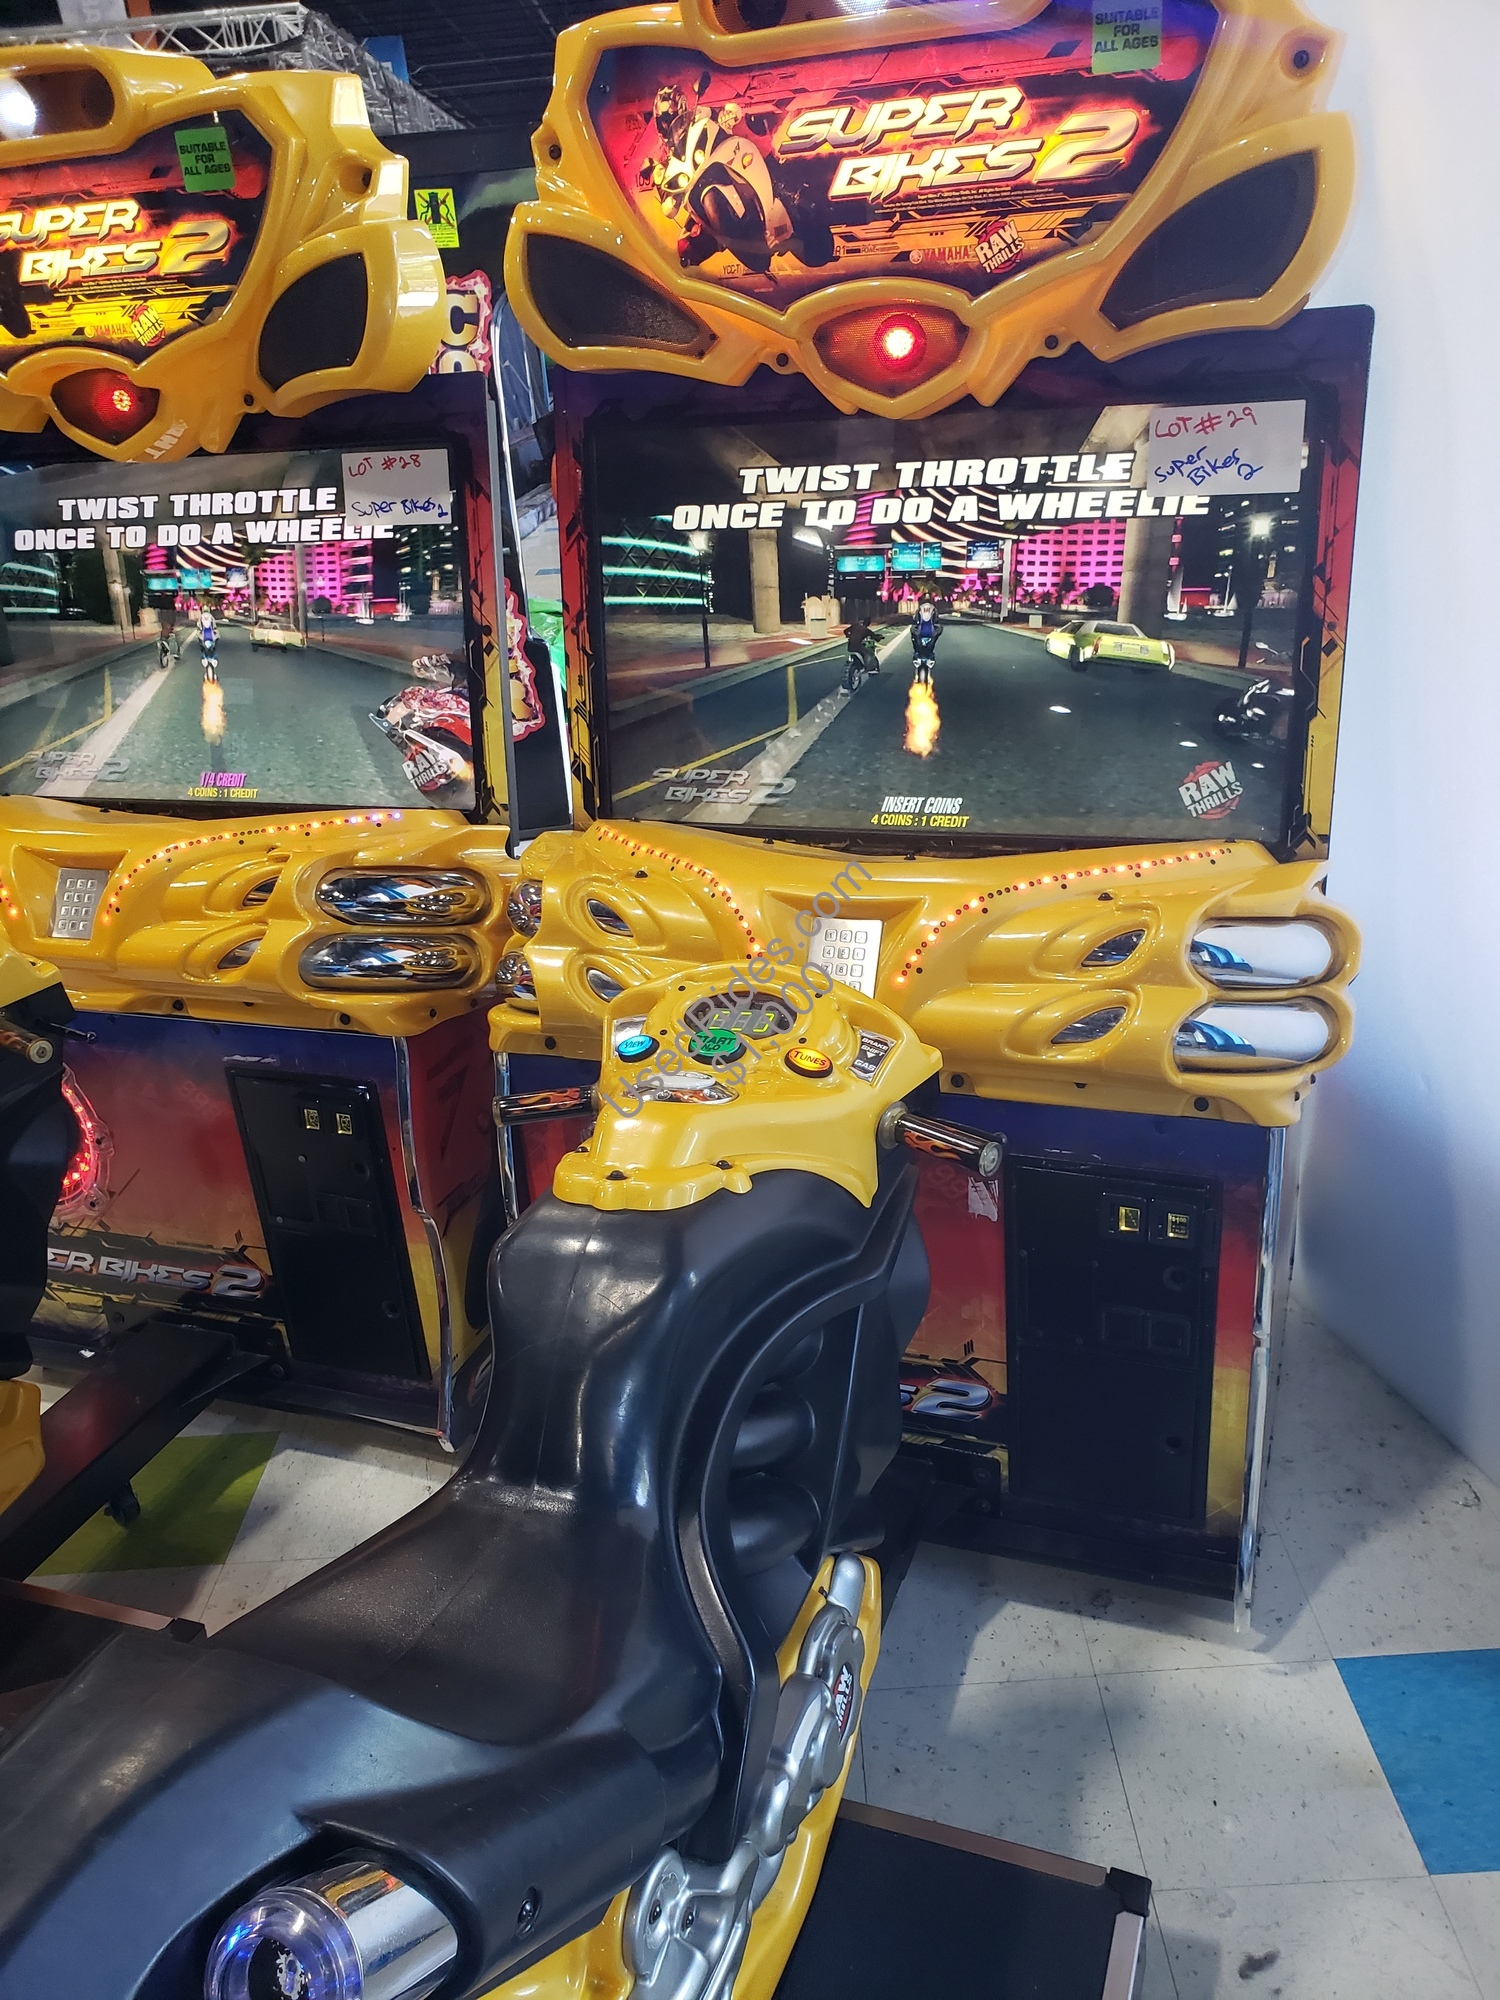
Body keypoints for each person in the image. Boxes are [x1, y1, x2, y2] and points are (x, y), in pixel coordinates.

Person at [910, 595, 941, 685]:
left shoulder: (919, 609)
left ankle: (917, 653)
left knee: (913, 637)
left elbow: (915, 619)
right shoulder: (934, 609)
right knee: (935, 637)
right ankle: (928, 655)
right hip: (931, 633)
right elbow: (937, 619)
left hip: (919, 633)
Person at [842, 612, 877, 692]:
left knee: (861, 651)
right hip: (858, 647)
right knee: (868, 653)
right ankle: (868, 667)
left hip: (850, 647)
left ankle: (859, 665)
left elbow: (845, 631)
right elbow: (874, 636)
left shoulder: (855, 626)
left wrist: (849, 636)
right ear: (868, 623)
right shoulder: (866, 630)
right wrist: (878, 637)